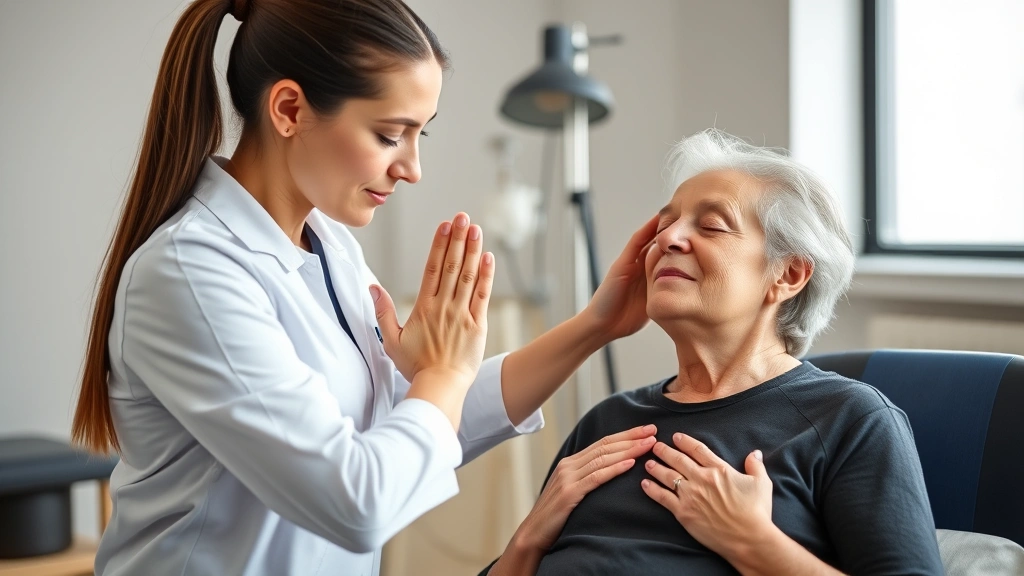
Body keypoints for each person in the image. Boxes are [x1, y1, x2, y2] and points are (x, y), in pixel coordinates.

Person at [70, 1, 655, 574]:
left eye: (421, 134)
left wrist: (593, 326)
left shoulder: (331, 248)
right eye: (390, 135)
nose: (412, 168)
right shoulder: (189, 273)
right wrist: (442, 374)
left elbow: (414, 427)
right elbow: (357, 501)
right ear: (290, 109)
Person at [485, 129, 944, 575]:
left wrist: (753, 543)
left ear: (788, 275)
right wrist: (527, 540)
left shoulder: (849, 420)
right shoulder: (606, 421)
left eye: (711, 226)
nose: (667, 240)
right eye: (664, 225)